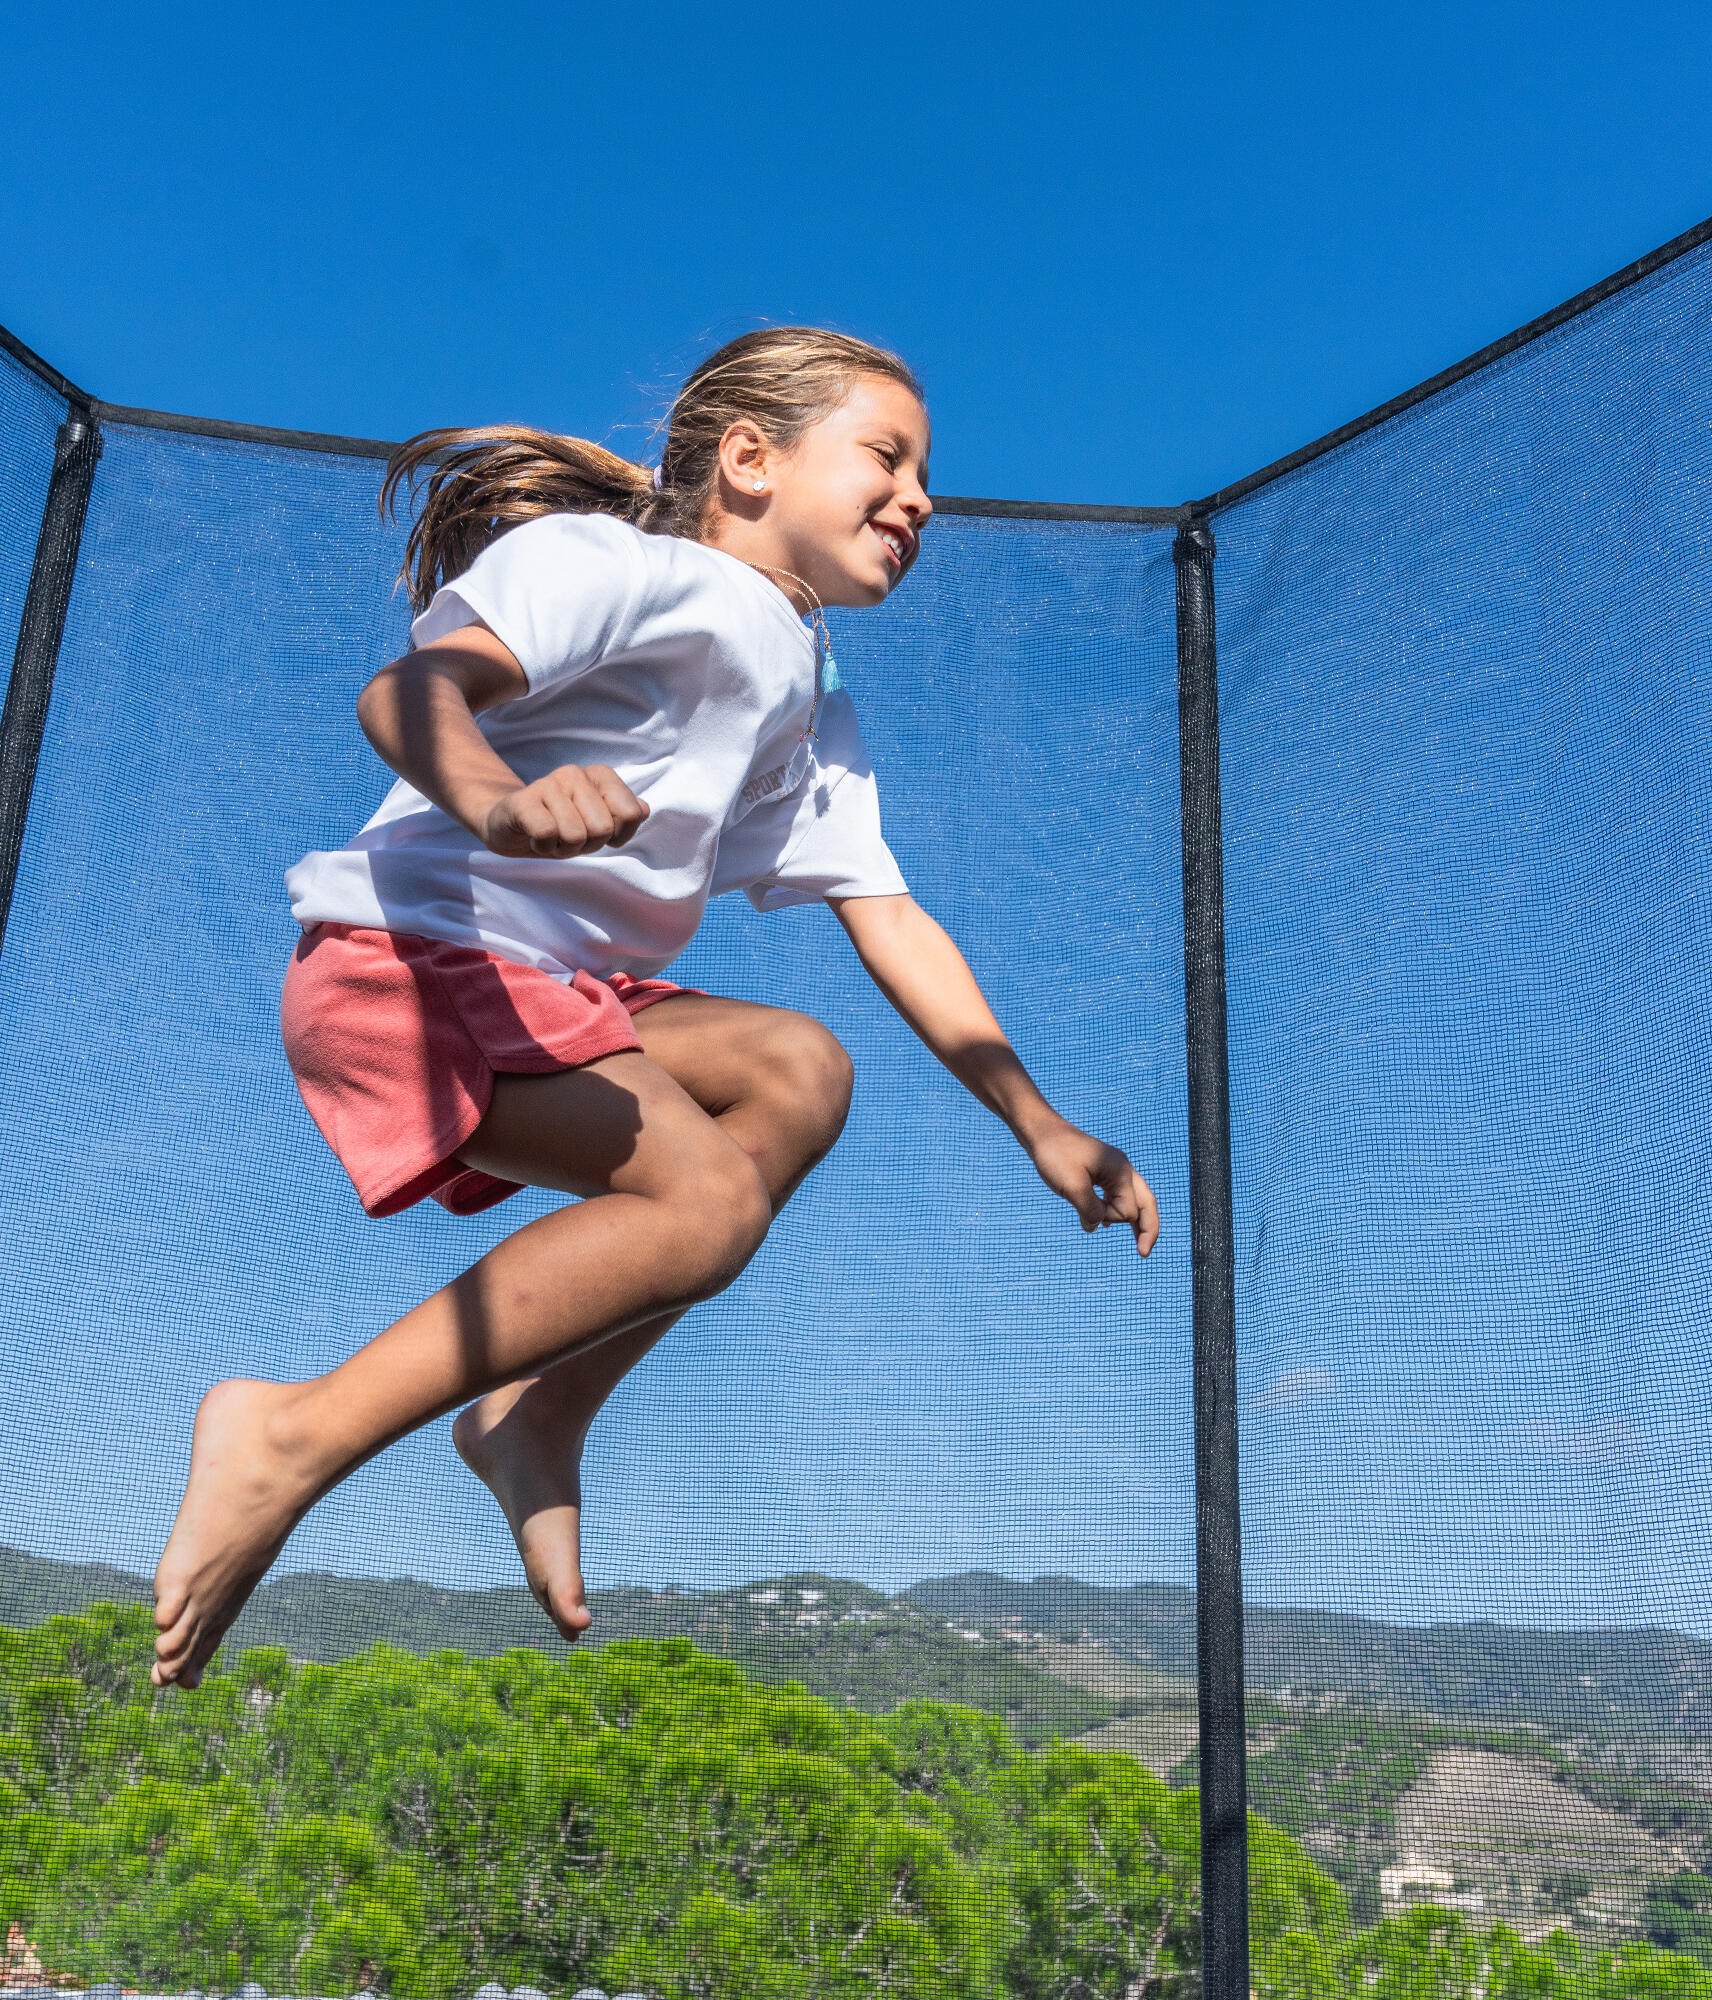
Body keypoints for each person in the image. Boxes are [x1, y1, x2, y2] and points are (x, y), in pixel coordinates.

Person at [149, 328, 1160, 1691]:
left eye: (928, 475)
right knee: (704, 1204)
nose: (924, 498)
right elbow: (412, 690)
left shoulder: (807, 684)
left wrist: (1039, 1123)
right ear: (750, 460)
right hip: (414, 954)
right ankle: (291, 1433)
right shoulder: (612, 567)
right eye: (889, 456)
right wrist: (499, 800)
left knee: (798, 1071)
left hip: (560, 986)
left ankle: (536, 1416)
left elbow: (889, 913)